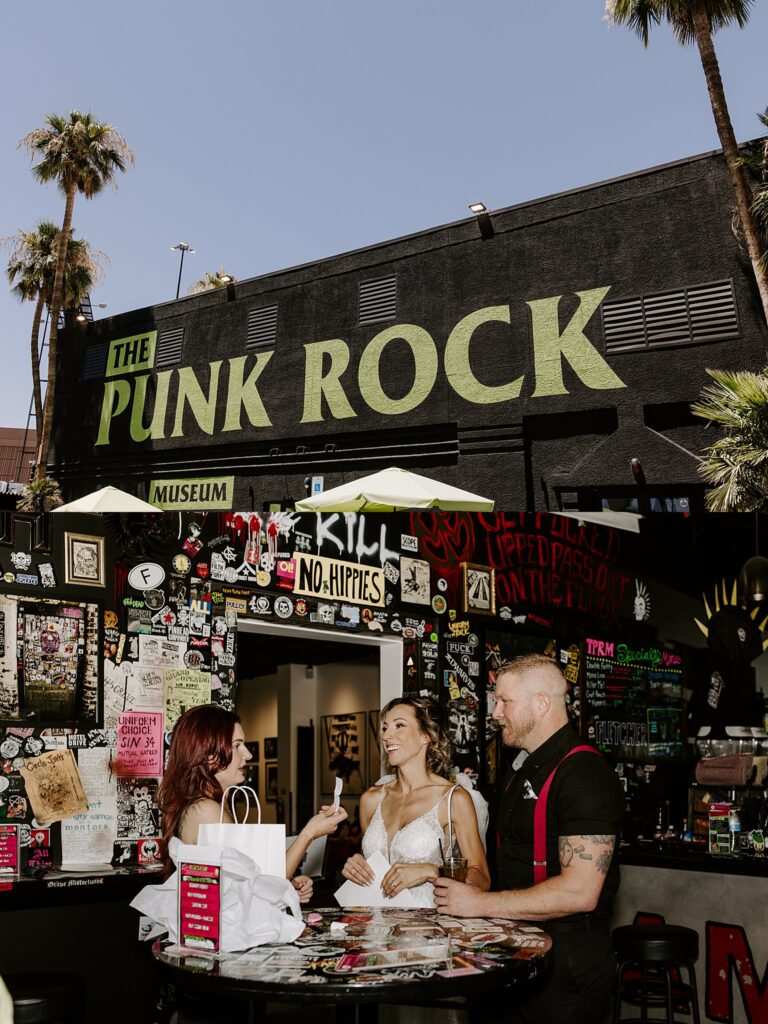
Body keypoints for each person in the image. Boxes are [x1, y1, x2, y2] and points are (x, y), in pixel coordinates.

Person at [433, 654, 624, 1024]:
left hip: (566, 960)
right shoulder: (522, 767)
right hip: (514, 946)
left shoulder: (583, 772)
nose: (496, 713)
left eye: (505, 701)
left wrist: (479, 904)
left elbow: (580, 893)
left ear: (541, 703)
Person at [159, 704, 347, 901]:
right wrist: (309, 834)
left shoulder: (202, 805)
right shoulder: (205, 810)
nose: (247, 754)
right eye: (237, 745)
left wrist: (287, 886)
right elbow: (254, 891)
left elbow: (241, 885)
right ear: (208, 754)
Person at [341, 696, 490, 906]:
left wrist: (431, 872)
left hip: (428, 928)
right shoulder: (371, 799)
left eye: (399, 725)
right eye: (385, 728)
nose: (387, 736)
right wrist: (357, 868)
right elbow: (373, 867)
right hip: (376, 929)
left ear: (426, 736)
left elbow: (482, 879)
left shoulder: (453, 800)